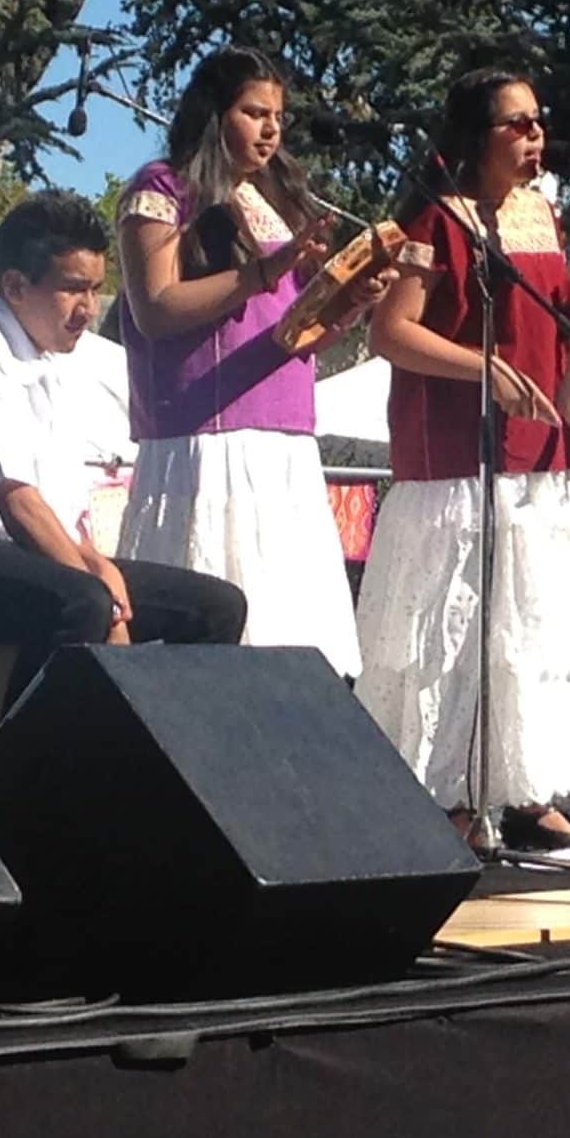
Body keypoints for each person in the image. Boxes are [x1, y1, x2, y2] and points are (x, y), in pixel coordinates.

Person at [353, 67, 570, 847]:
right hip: (459, 459)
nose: (536, 134)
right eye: (518, 122)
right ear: (477, 136)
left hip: (547, 449)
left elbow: (550, 320)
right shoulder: (436, 218)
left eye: (539, 120)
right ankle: (453, 793)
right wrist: (482, 367)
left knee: (533, 631)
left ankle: (525, 787)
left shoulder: (545, 212)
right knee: (460, 626)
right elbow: (391, 332)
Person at [115, 46, 383, 676]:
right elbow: (155, 306)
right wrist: (262, 271)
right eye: (253, 111)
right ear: (215, 114)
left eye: (278, 116)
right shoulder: (163, 187)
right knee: (213, 637)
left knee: (284, 638)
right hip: (208, 441)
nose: (270, 129)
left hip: (283, 443)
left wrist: (347, 303)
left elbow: (292, 334)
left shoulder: (272, 198)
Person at [0, 192, 247, 701]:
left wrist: (99, 564)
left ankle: (170, 762)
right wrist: (108, 602)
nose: (89, 309)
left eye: (95, 290)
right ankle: (25, 768)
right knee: (82, 605)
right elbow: (19, 505)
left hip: (24, 554)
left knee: (217, 607)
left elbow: (59, 513)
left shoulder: (52, 361)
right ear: (15, 286)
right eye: (73, 289)